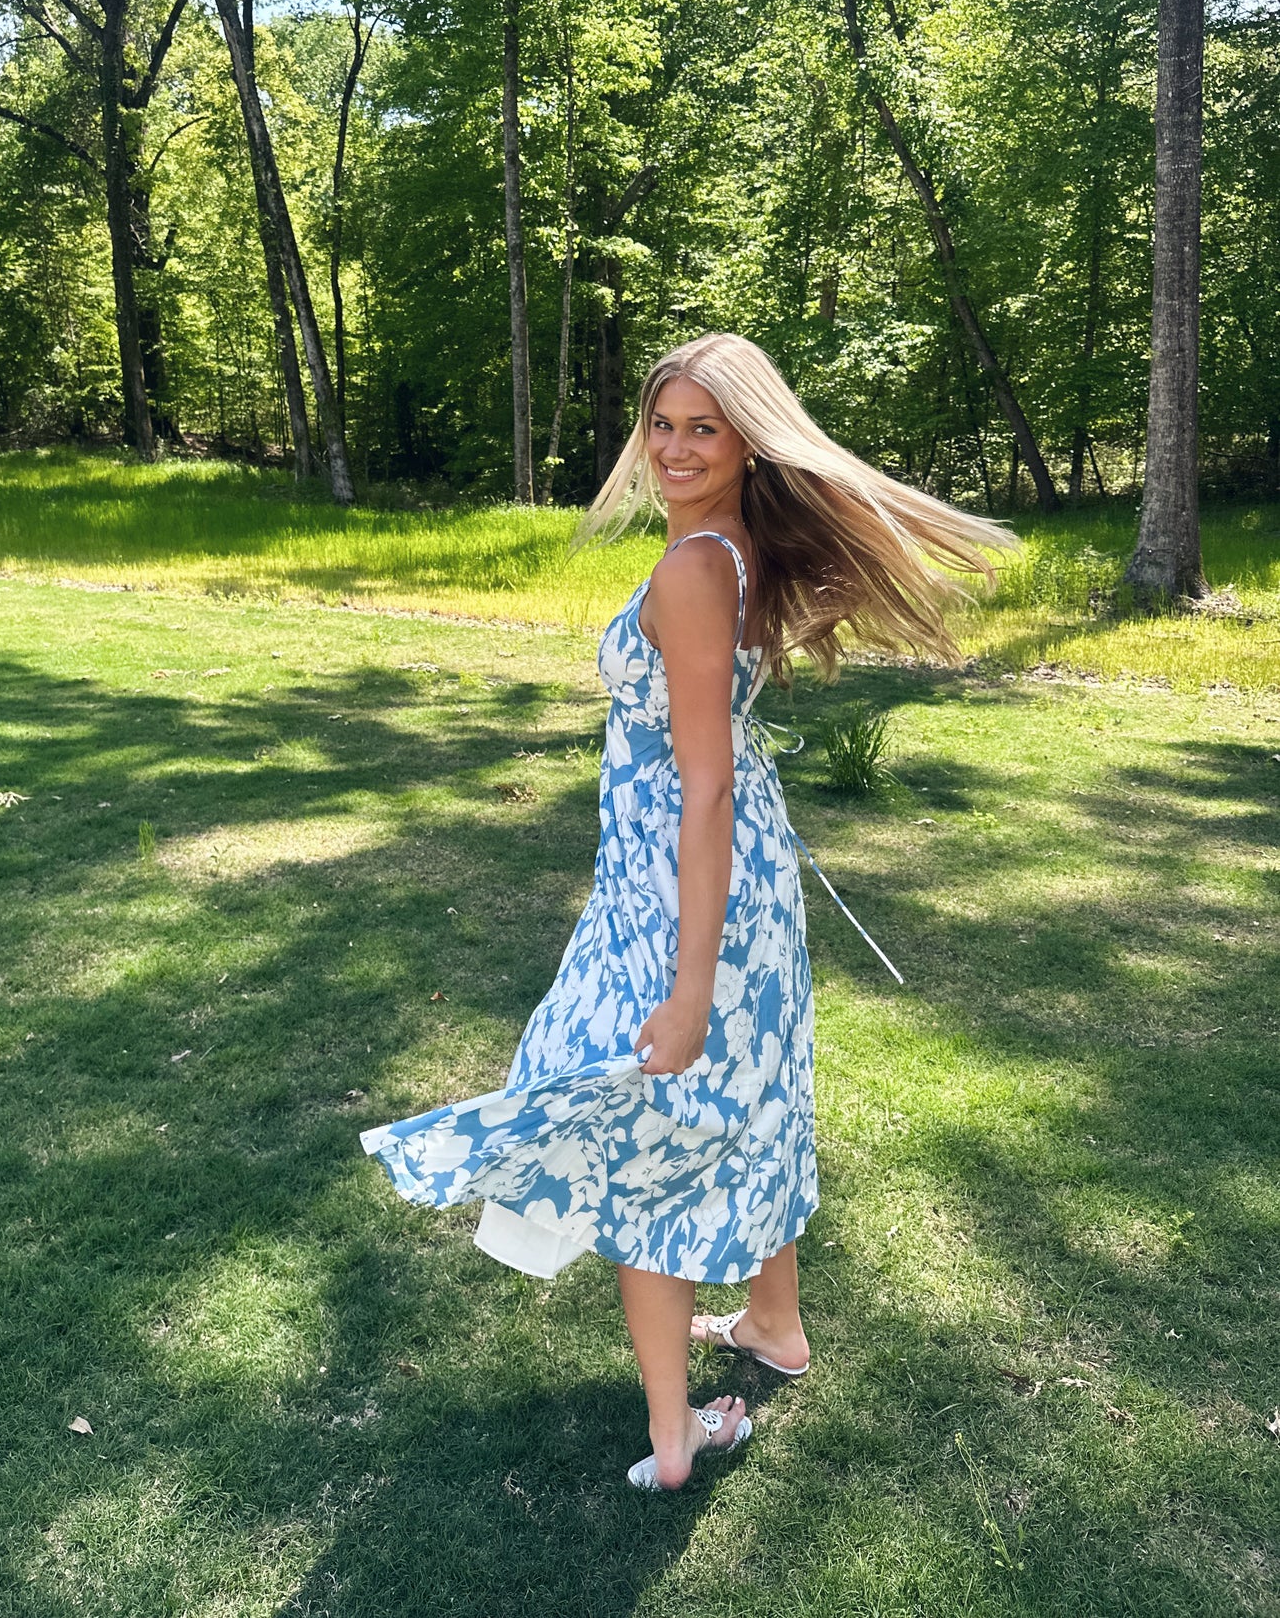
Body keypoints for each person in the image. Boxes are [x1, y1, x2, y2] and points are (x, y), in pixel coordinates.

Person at [362, 333, 1011, 1489]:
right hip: (710, 872)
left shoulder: (695, 568)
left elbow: (702, 779)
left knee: (630, 1121)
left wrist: (688, 986)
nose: (671, 446)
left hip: (683, 887)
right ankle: (775, 1324)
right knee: (750, 1098)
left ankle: (674, 1441)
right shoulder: (726, 549)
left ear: (745, 439)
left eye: (701, 428)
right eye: (661, 422)